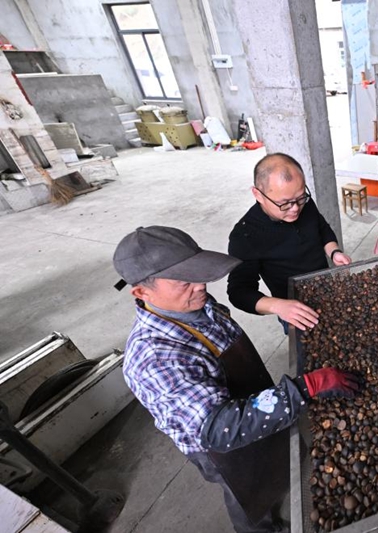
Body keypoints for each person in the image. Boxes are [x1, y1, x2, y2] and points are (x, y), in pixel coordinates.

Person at [113, 226, 361, 533]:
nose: (200, 286)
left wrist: (287, 397)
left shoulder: (197, 304)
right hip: (221, 448)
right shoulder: (155, 357)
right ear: (141, 292)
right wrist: (305, 387)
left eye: (199, 274)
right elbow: (220, 428)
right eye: (183, 281)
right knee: (249, 494)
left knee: (275, 464)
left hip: (254, 402)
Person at [227, 153, 351, 334]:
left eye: (300, 198)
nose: (295, 209)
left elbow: (322, 228)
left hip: (328, 291)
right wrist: (278, 306)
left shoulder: (304, 204)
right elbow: (239, 291)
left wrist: (334, 252)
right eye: (284, 203)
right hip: (295, 311)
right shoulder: (245, 235)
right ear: (258, 194)